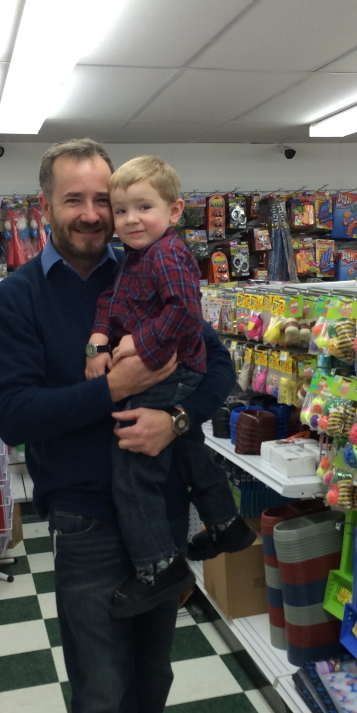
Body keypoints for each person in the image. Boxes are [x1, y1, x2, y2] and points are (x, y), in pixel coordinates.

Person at [0, 139, 235, 713]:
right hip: (88, 523)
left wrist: (175, 421)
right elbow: (14, 415)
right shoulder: (18, 300)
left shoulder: (155, 269)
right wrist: (114, 388)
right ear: (47, 207)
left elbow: (216, 372)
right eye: (78, 200)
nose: (96, 215)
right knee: (102, 697)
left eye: (108, 200)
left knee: (151, 679)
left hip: (159, 518)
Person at [85, 155, 255, 618]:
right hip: (174, 370)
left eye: (143, 207)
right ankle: (226, 523)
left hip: (173, 370)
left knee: (133, 473)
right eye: (121, 211)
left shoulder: (168, 254)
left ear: (175, 211)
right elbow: (110, 299)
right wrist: (99, 337)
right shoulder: (135, 257)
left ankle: (159, 567)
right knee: (187, 447)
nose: (130, 220)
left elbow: (184, 311)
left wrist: (135, 348)